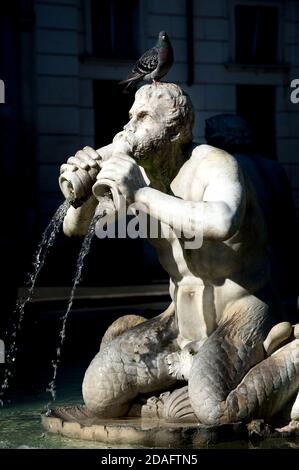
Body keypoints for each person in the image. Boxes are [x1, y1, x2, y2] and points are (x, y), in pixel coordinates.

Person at [60, 83, 299, 425]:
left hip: (241, 312)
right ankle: (164, 371)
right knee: (98, 395)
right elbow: (75, 228)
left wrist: (141, 194)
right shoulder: (137, 173)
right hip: (178, 320)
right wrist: (82, 194)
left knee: (215, 410)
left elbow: (222, 221)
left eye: (143, 118)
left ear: (176, 130)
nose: (129, 126)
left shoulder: (215, 164)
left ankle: (291, 354)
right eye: (130, 117)